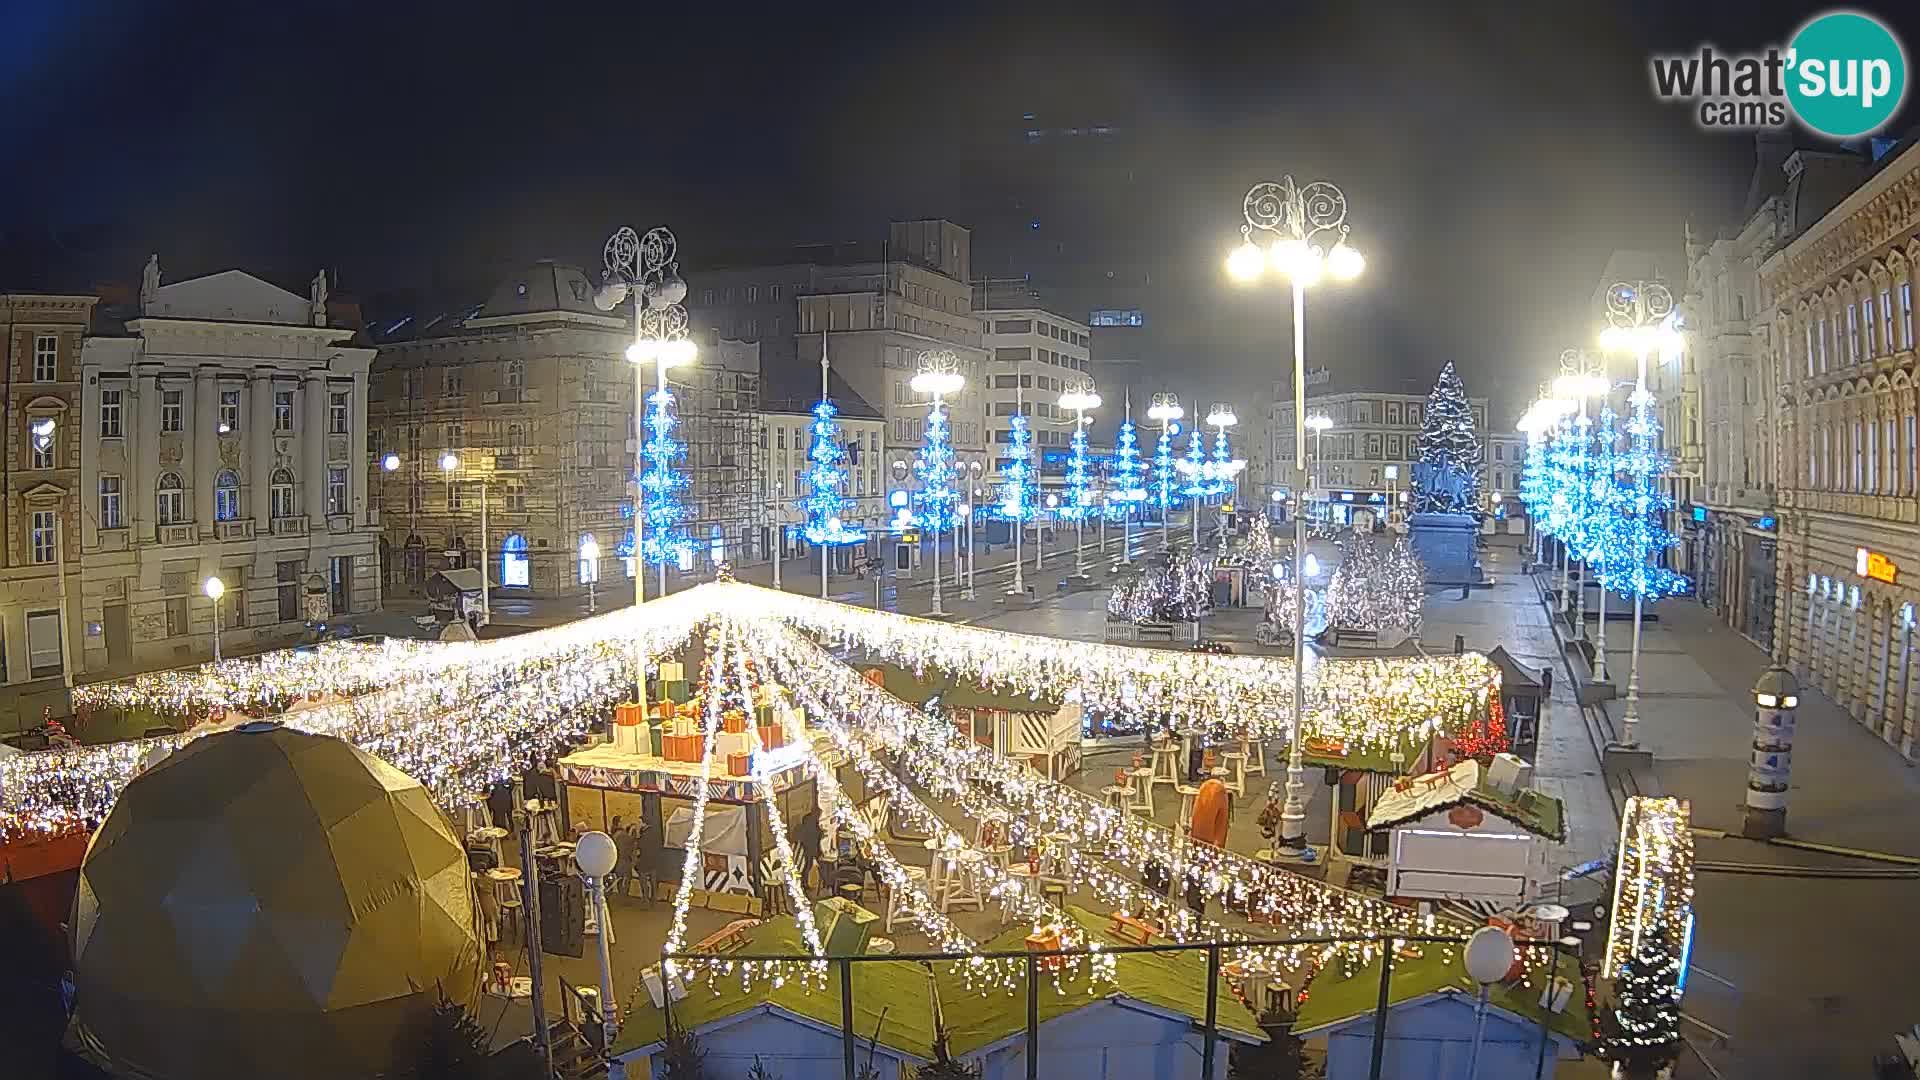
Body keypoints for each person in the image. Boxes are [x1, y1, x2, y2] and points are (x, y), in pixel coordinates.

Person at [793, 808, 823, 897]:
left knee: (807, 866)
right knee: (807, 866)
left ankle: (804, 883)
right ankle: (803, 884)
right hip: (810, 847)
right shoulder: (812, 822)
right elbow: (815, 834)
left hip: (808, 847)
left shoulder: (807, 820)